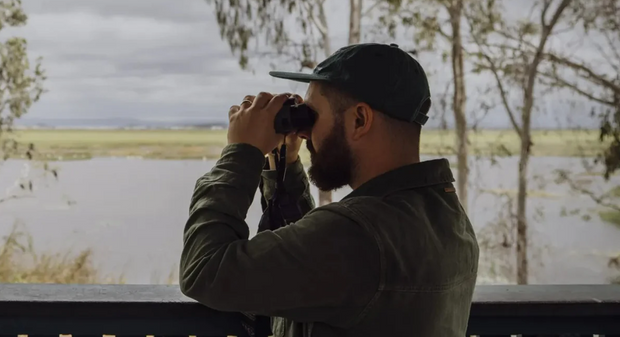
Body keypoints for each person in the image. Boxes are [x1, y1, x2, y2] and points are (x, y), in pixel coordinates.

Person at [179, 43, 480, 337]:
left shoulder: (357, 233)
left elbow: (203, 269)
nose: (304, 131)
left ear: (359, 120)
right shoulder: (448, 217)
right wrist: (284, 164)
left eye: (312, 116)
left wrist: (242, 151)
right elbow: (313, 267)